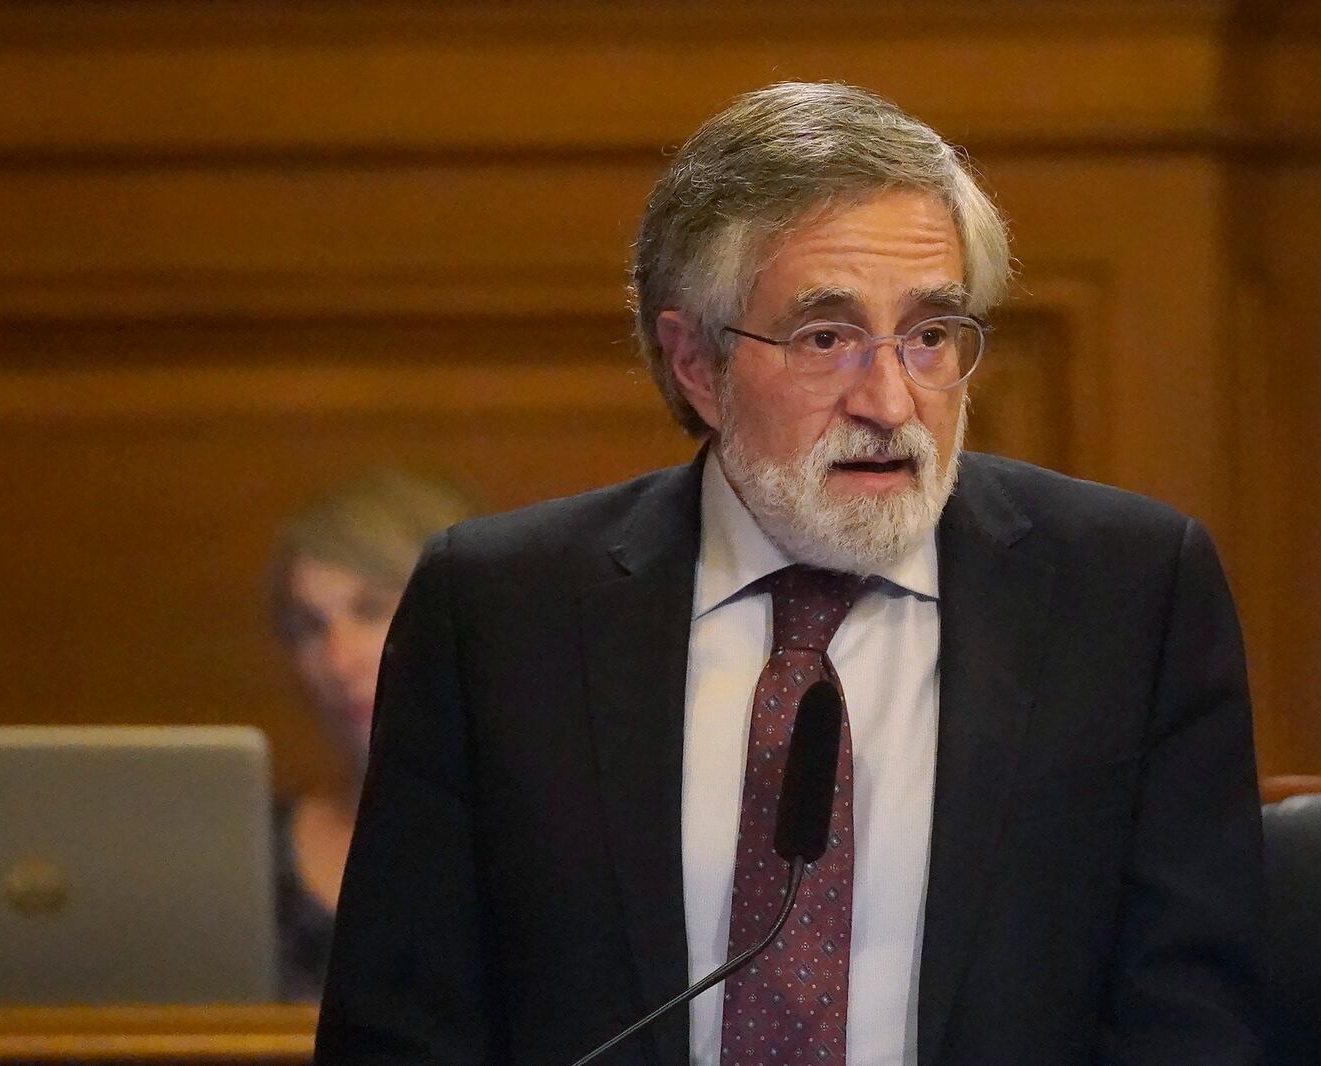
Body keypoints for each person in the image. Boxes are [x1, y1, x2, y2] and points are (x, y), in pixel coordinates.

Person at [317, 82, 1262, 1065]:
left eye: (931, 334)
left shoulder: (1127, 595)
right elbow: (399, 1031)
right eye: (827, 338)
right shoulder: (501, 615)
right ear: (695, 362)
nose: (891, 399)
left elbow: (1187, 1023)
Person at [265, 467, 478, 1000]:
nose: (337, 659)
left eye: (371, 609)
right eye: (309, 626)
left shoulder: (561, 845)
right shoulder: (248, 856)